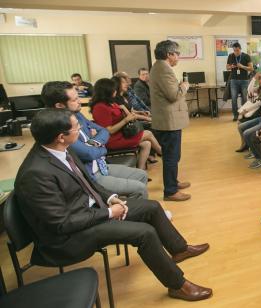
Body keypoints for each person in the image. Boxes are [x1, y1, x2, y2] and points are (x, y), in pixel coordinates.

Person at [15, 108, 212, 302]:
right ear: (60, 137)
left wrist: (110, 198)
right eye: (76, 128)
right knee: (145, 233)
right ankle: (178, 286)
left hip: (89, 212)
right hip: (68, 237)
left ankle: (179, 249)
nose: (82, 132)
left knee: (151, 207)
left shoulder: (62, 150)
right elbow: (61, 224)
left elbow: (89, 184)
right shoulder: (36, 174)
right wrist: (109, 212)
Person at [41, 81, 149, 199]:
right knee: (139, 188)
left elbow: (104, 131)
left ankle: (132, 211)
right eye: (75, 99)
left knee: (142, 175)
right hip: (91, 175)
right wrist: (101, 146)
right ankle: (127, 213)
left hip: (100, 165)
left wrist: (92, 142)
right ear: (59, 106)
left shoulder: (77, 115)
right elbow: (89, 153)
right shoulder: (59, 129)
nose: (80, 101)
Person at [149, 40, 191, 202]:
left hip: (167, 120)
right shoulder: (163, 69)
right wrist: (184, 86)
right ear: (169, 54)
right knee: (171, 157)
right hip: (168, 121)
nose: (178, 57)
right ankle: (171, 191)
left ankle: (173, 182)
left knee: (172, 155)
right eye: (177, 54)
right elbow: (173, 95)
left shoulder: (159, 68)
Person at [90, 78, 159, 171]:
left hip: (121, 134)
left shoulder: (111, 103)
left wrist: (126, 112)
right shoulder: (100, 107)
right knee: (148, 133)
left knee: (146, 144)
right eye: (113, 89)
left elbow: (124, 114)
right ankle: (162, 152)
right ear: (106, 91)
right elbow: (108, 130)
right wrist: (126, 120)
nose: (115, 91)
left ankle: (140, 171)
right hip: (112, 140)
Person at [235, 72, 261, 153]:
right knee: (240, 124)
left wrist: (246, 110)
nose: (260, 80)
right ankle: (245, 144)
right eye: (260, 79)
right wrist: (254, 78)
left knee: (241, 124)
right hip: (258, 113)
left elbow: (259, 104)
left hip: (260, 114)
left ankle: (247, 145)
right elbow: (249, 90)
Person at [227, 42, 253, 121]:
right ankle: (235, 115)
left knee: (244, 99)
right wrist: (231, 66)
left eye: (237, 50)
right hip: (233, 80)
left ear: (240, 49)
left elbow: (251, 68)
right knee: (234, 98)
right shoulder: (231, 56)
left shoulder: (246, 56)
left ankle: (243, 114)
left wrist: (242, 66)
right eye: (234, 50)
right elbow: (227, 67)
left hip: (244, 80)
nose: (236, 52)